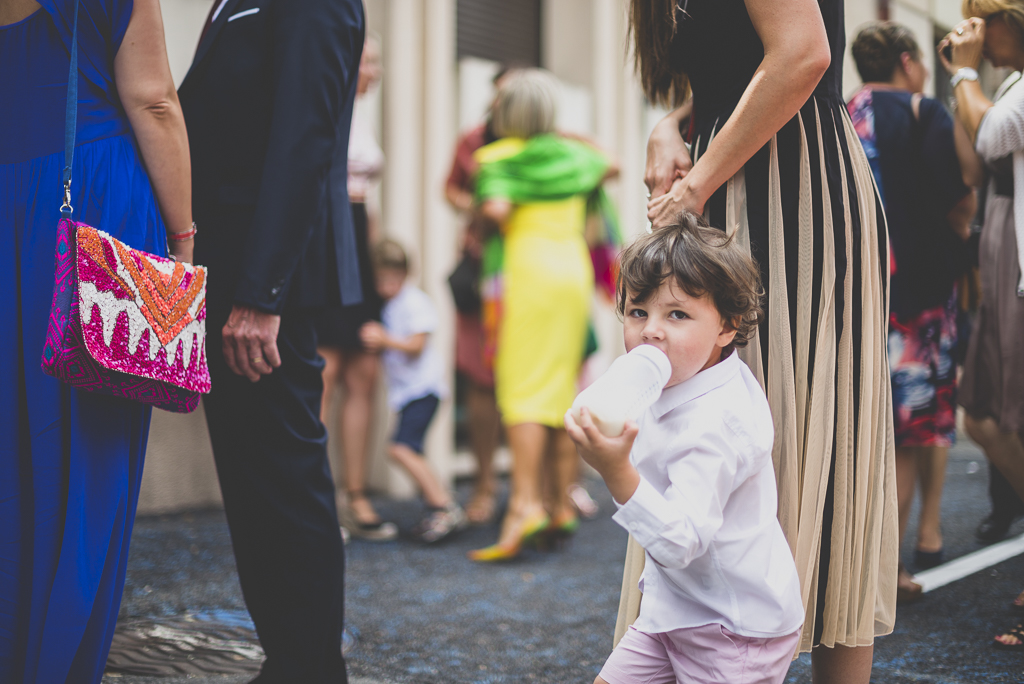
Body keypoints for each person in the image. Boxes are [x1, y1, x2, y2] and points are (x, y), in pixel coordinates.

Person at [627, 0, 897, 679]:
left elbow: (802, 55)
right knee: (726, 427)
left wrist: (695, 186)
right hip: (736, 179)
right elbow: (734, 66)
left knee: (822, 444)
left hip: (793, 188)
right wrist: (674, 123)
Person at [1, 0, 193, 679]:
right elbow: (155, 103)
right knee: (88, 451)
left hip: (10, 203)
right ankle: (58, 658)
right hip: (90, 207)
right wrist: (184, 239)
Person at [178, 0, 364, 680]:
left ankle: (308, 666)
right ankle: (290, 658)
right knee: (255, 484)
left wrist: (261, 295)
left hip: (266, 285)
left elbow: (302, 142)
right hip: (230, 271)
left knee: (282, 482)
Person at [567, 213, 803, 684]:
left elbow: (680, 541)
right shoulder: (682, 369)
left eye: (677, 314)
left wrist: (617, 473)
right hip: (671, 610)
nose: (651, 330)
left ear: (727, 327)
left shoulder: (718, 424)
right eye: (638, 312)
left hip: (733, 629)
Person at [848, 22, 979, 602]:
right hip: (917, 305)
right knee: (907, 436)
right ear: (907, 60)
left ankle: (852, 560)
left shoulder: (836, 115)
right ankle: (889, 568)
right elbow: (962, 197)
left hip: (853, 298)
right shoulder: (925, 112)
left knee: (859, 435)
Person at [466, 69, 618, 562]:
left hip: (527, 273)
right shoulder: (577, 156)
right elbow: (611, 165)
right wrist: (567, 138)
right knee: (557, 386)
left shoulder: (495, 158)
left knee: (522, 388)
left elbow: (497, 212)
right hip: (570, 272)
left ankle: (525, 505)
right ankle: (559, 504)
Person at [939, 0, 1024, 649]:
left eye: (982, 22)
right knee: (985, 415)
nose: (972, 35)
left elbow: (992, 137)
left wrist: (966, 75)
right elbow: (975, 165)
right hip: (1003, 265)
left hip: (1015, 270)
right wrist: (965, 79)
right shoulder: (1009, 85)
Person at [315, 36, 397, 541]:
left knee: (364, 370)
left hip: (359, 242)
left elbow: (365, 199)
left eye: (376, 60)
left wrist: (377, 259)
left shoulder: (364, 114)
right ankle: (317, 500)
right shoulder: (324, 107)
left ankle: (357, 494)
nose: (374, 69)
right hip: (325, 243)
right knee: (325, 373)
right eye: (365, 59)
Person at [359, 240, 466, 542]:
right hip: (407, 393)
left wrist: (384, 340)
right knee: (411, 449)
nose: (387, 286)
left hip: (423, 390)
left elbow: (417, 345)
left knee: (401, 448)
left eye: (393, 279)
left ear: (406, 274)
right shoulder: (389, 305)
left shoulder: (414, 302)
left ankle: (443, 506)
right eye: (380, 280)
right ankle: (438, 505)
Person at [444, 68, 510, 525]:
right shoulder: (474, 141)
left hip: (532, 274)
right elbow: (449, 188)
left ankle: (550, 489)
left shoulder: (556, 142)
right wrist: (478, 208)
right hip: (481, 272)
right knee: (480, 377)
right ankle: (485, 483)